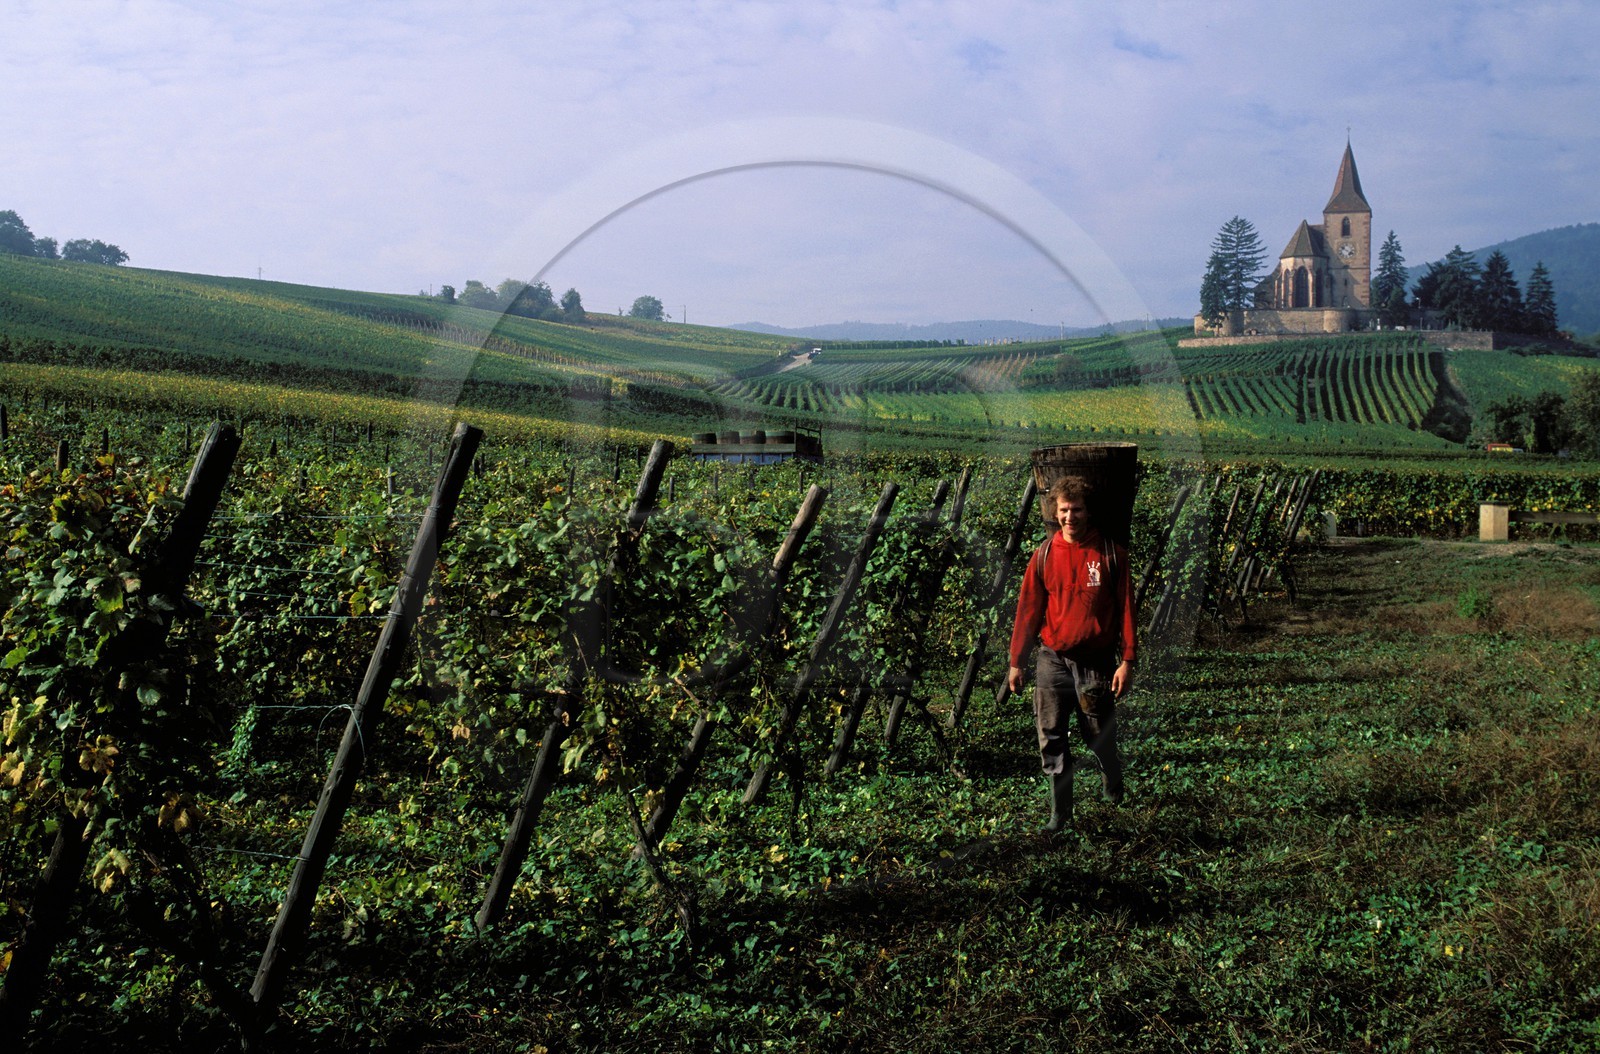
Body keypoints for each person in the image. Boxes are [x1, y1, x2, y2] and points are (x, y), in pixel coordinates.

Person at [1007, 475, 1136, 834]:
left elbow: (1127, 610)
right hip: (1052, 657)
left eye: (1076, 509)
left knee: (1097, 731)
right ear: (1055, 512)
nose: (1070, 517)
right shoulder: (1044, 556)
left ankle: (1111, 778)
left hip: (1095, 659)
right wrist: (1016, 662)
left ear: (1088, 511)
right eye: (1063, 510)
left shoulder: (1110, 554)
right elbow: (1028, 611)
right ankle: (1060, 814)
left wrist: (1127, 661)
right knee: (1051, 733)